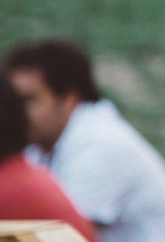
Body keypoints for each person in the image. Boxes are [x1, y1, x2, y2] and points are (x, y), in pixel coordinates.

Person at [3, 39, 165, 242]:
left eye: (28, 100)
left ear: (69, 99)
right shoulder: (43, 143)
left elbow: (66, 237)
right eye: (13, 102)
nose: (16, 112)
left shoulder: (99, 144)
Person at [0, 75, 97, 241]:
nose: (26, 111)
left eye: (30, 99)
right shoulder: (21, 172)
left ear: (68, 99)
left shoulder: (96, 141)